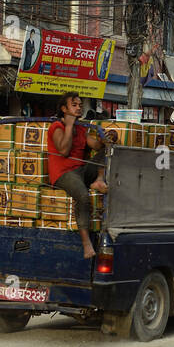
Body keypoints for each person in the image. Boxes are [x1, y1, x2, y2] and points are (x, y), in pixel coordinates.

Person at [48, 92, 117, 260]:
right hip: (63, 174)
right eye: (74, 105)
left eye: (80, 105)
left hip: (81, 170)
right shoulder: (56, 127)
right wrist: (69, 127)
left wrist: (108, 139)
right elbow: (63, 151)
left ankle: (98, 180)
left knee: (107, 152)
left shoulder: (81, 128)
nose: (79, 108)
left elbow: (96, 145)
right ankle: (86, 243)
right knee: (83, 197)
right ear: (64, 109)